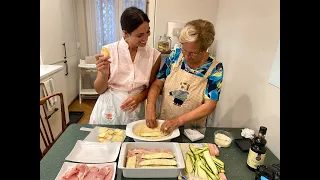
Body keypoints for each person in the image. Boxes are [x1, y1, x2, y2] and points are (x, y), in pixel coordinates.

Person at [145, 19, 224, 133]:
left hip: (192, 131)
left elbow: (209, 105)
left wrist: (178, 121)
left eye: (193, 53)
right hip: (165, 124)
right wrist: (150, 105)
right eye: (184, 49)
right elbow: (157, 84)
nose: (186, 56)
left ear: (205, 49)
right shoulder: (175, 56)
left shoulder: (215, 69)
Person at [89, 6, 161, 125]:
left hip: (136, 108)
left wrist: (139, 97)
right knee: (107, 140)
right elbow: (99, 89)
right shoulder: (109, 50)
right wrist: (103, 74)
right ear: (125, 33)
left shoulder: (154, 55)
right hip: (110, 107)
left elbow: (151, 87)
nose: (145, 38)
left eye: (148, 32)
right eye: (139, 35)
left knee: (134, 142)